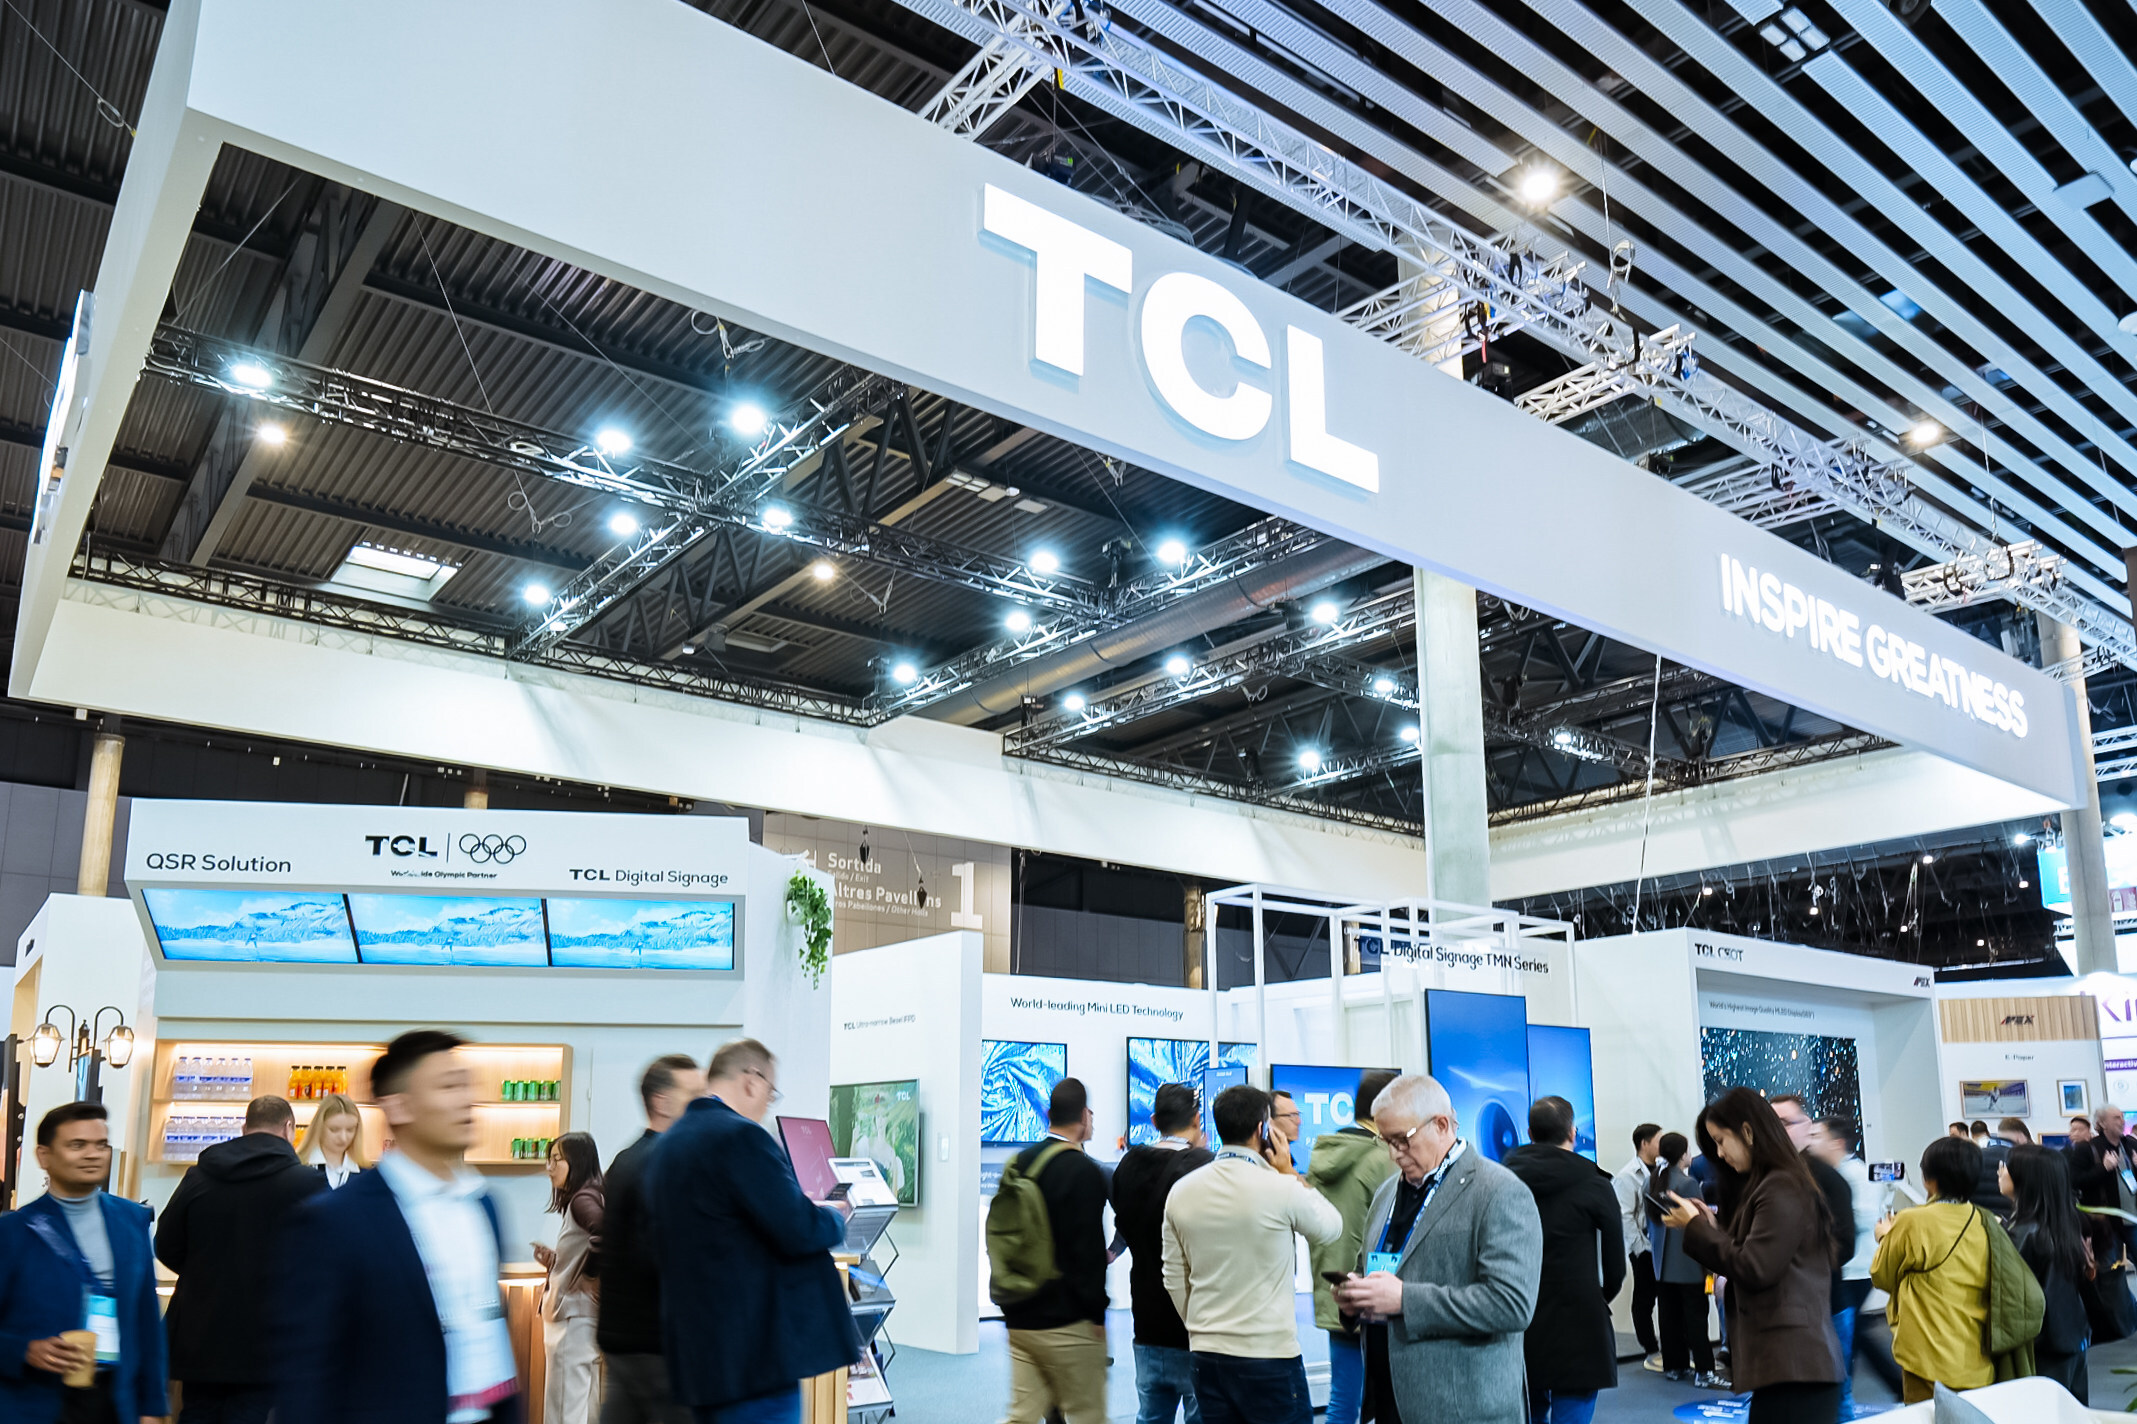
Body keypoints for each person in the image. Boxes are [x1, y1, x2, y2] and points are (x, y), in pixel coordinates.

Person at [280, 1030, 520, 1424]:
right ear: (399, 1106)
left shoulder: (484, 1205)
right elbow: (308, 1376)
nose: (466, 1100)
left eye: (466, 1085)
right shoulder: (337, 1220)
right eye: (447, 1086)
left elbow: (492, 1342)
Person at [649, 1038, 858, 1424]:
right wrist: (833, 1216)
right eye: (770, 1092)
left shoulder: (668, 1145)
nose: (767, 1104)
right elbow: (798, 1228)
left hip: (698, 1360)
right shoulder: (741, 1136)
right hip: (754, 1360)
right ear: (752, 1081)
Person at [1333, 1073, 1541, 1424]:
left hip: (1463, 1410)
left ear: (1441, 1125)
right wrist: (1357, 1295)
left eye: (1402, 1140)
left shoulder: (1499, 1192)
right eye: (1386, 1141)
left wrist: (1405, 1300)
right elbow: (1373, 1268)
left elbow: (1511, 1304)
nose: (1394, 1154)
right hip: (1390, 1402)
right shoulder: (1386, 1194)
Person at [1658, 1088, 1843, 1422]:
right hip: (1788, 1366)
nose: (1719, 1153)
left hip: (1797, 1367)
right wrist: (1710, 1227)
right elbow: (1757, 1255)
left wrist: (1697, 1228)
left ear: (1747, 1131)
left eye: (1721, 1140)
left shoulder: (1781, 1186)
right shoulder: (1772, 1184)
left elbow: (1755, 1267)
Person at [1160, 1084, 1339, 1424]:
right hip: (1269, 1355)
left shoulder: (1181, 1191)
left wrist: (1203, 1327)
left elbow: (1173, 1277)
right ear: (1262, 1129)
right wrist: (1290, 1172)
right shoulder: (1281, 1188)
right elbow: (1331, 1227)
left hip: (1206, 1355)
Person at [156, 1094, 326, 1424]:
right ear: (289, 1128)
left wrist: (205, 1273)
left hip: (200, 1335)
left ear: (244, 1129)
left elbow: (165, 1244)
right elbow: (327, 1260)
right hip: (267, 1340)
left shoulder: (199, 1176)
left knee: (196, 1414)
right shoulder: (307, 1184)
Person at [0, 1101, 167, 1424]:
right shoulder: (14, 1232)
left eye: (100, 1145)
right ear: (44, 1156)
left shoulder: (131, 1220)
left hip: (116, 1400)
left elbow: (147, 1321)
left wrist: (153, 1407)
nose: (93, 1155)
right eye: (77, 1145)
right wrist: (23, 1350)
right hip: (35, 1402)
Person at [995, 1078, 1110, 1424]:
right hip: (1068, 1321)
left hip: (1020, 1317)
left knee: (1022, 1416)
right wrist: (1098, 1316)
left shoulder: (1020, 1163)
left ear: (1048, 1114)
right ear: (1083, 1117)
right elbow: (1089, 1254)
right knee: (1088, 1415)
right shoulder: (1085, 1171)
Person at [1504, 1096, 1623, 1424]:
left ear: (1530, 1132)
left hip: (1518, 1317)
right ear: (1573, 1132)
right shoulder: (1595, 1183)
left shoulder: (1500, 1180)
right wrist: (1600, 1298)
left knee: (1525, 1411)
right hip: (1579, 1321)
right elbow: (1615, 1264)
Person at [600, 1053, 704, 1424]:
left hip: (622, 1339)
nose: (704, 1104)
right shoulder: (667, 1162)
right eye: (694, 1095)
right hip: (659, 1344)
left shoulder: (626, 1158)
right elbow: (664, 1253)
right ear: (661, 1102)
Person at [1110, 1082, 1215, 1424]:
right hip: (1195, 1323)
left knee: (1152, 1414)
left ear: (1154, 1121)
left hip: (1146, 1320)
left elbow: (1124, 1221)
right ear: (1197, 1120)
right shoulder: (1205, 1166)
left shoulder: (1128, 1165)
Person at [1868, 1134, 1995, 1402]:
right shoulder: (1988, 1220)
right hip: (1978, 1353)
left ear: (1929, 1180)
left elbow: (1882, 1276)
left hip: (1927, 1355)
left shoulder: (1912, 1221)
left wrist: (1884, 1237)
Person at [1305, 1069, 1397, 1424]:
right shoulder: (1382, 1159)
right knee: (1382, 1401)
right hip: (1375, 1294)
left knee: (1343, 1399)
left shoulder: (1326, 1153)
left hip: (1338, 1290)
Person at [2003, 1143, 2091, 1403]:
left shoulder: (2024, 1233)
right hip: (2071, 1336)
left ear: (2026, 1179)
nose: (1999, 1172)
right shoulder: (2062, 1223)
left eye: (2006, 1168)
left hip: (2043, 1344)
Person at [1806, 1117, 1877, 1420]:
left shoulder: (1852, 1175)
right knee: (1850, 1341)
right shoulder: (1824, 1175)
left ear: (1836, 1142)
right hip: (1842, 1274)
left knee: (1845, 1350)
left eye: (1816, 1135)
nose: (1810, 1141)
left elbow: (1865, 1217)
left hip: (1855, 1271)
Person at [536, 1132, 604, 1424]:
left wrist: (590, 1275)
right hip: (585, 1318)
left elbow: (604, 1234)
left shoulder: (582, 1200)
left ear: (576, 1162)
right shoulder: (596, 1194)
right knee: (585, 1408)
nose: (549, 1168)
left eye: (556, 1160)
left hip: (572, 1320)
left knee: (564, 1410)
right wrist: (555, 1260)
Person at [1646, 1132, 1720, 1386]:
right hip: (1688, 1264)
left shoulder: (1652, 1181)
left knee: (1669, 1318)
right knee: (1696, 1319)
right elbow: (1699, 1224)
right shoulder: (1688, 1184)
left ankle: (1674, 1366)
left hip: (1662, 1265)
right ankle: (1704, 1371)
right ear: (1682, 1155)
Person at [1611, 1123, 1664, 1372]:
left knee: (1668, 1297)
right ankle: (1650, 1348)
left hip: (1664, 1246)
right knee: (1644, 1299)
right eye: (1658, 1140)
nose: (1662, 1144)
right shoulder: (1627, 1176)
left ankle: (1671, 1347)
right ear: (1644, 1143)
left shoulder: (1663, 1169)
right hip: (1643, 1248)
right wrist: (1640, 1249)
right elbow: (1624, 1216)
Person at [294, 1092, 367, 1189]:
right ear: (319, 1127)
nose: (343, 1138)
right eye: (334, 1129)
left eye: (350, 1130)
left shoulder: (364, 1174)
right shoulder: (298, 1167)